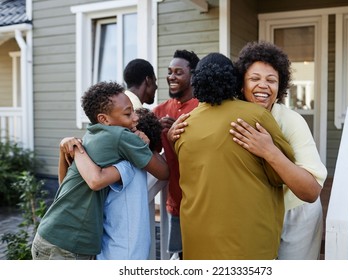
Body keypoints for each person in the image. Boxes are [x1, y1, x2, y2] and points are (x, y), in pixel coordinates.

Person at [172, 52, 295, 259]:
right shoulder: (256, 116)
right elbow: (281, 175)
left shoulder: (183, 124)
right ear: (235, 80)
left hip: (197, 243)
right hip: (249, 245)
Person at [31, 81, 168, 260]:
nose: (135, 118)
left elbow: (64, 185)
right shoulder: (122, 136)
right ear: (104, 119)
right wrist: (147, 147)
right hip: (66, 244)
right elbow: (164, 172)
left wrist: (65, 149)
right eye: (128, 113)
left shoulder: (91, 136)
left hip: (51, 234)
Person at [231, 41, 327, 259]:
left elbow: (311, 191)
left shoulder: (292, 121)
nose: (263, 85)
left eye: (271, 80)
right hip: (257, 211)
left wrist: (270, 151)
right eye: (255, 78)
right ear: (241, 84)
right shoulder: (232, 115)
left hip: (296, 211)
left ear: (279, 86)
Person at [58, 108, 165, 260]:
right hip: (123, 249)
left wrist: (73, 150)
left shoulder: (125, 165)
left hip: (118, 252)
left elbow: (88, 181)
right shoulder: (129, 163)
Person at [153, 49, 199, 259]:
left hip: (203, 200)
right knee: (180, 257)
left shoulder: (202, 108)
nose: (171, 76)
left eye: (178, 72)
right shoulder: (160, 111)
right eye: (169, 71)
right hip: (177, 200)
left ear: (193, 75)